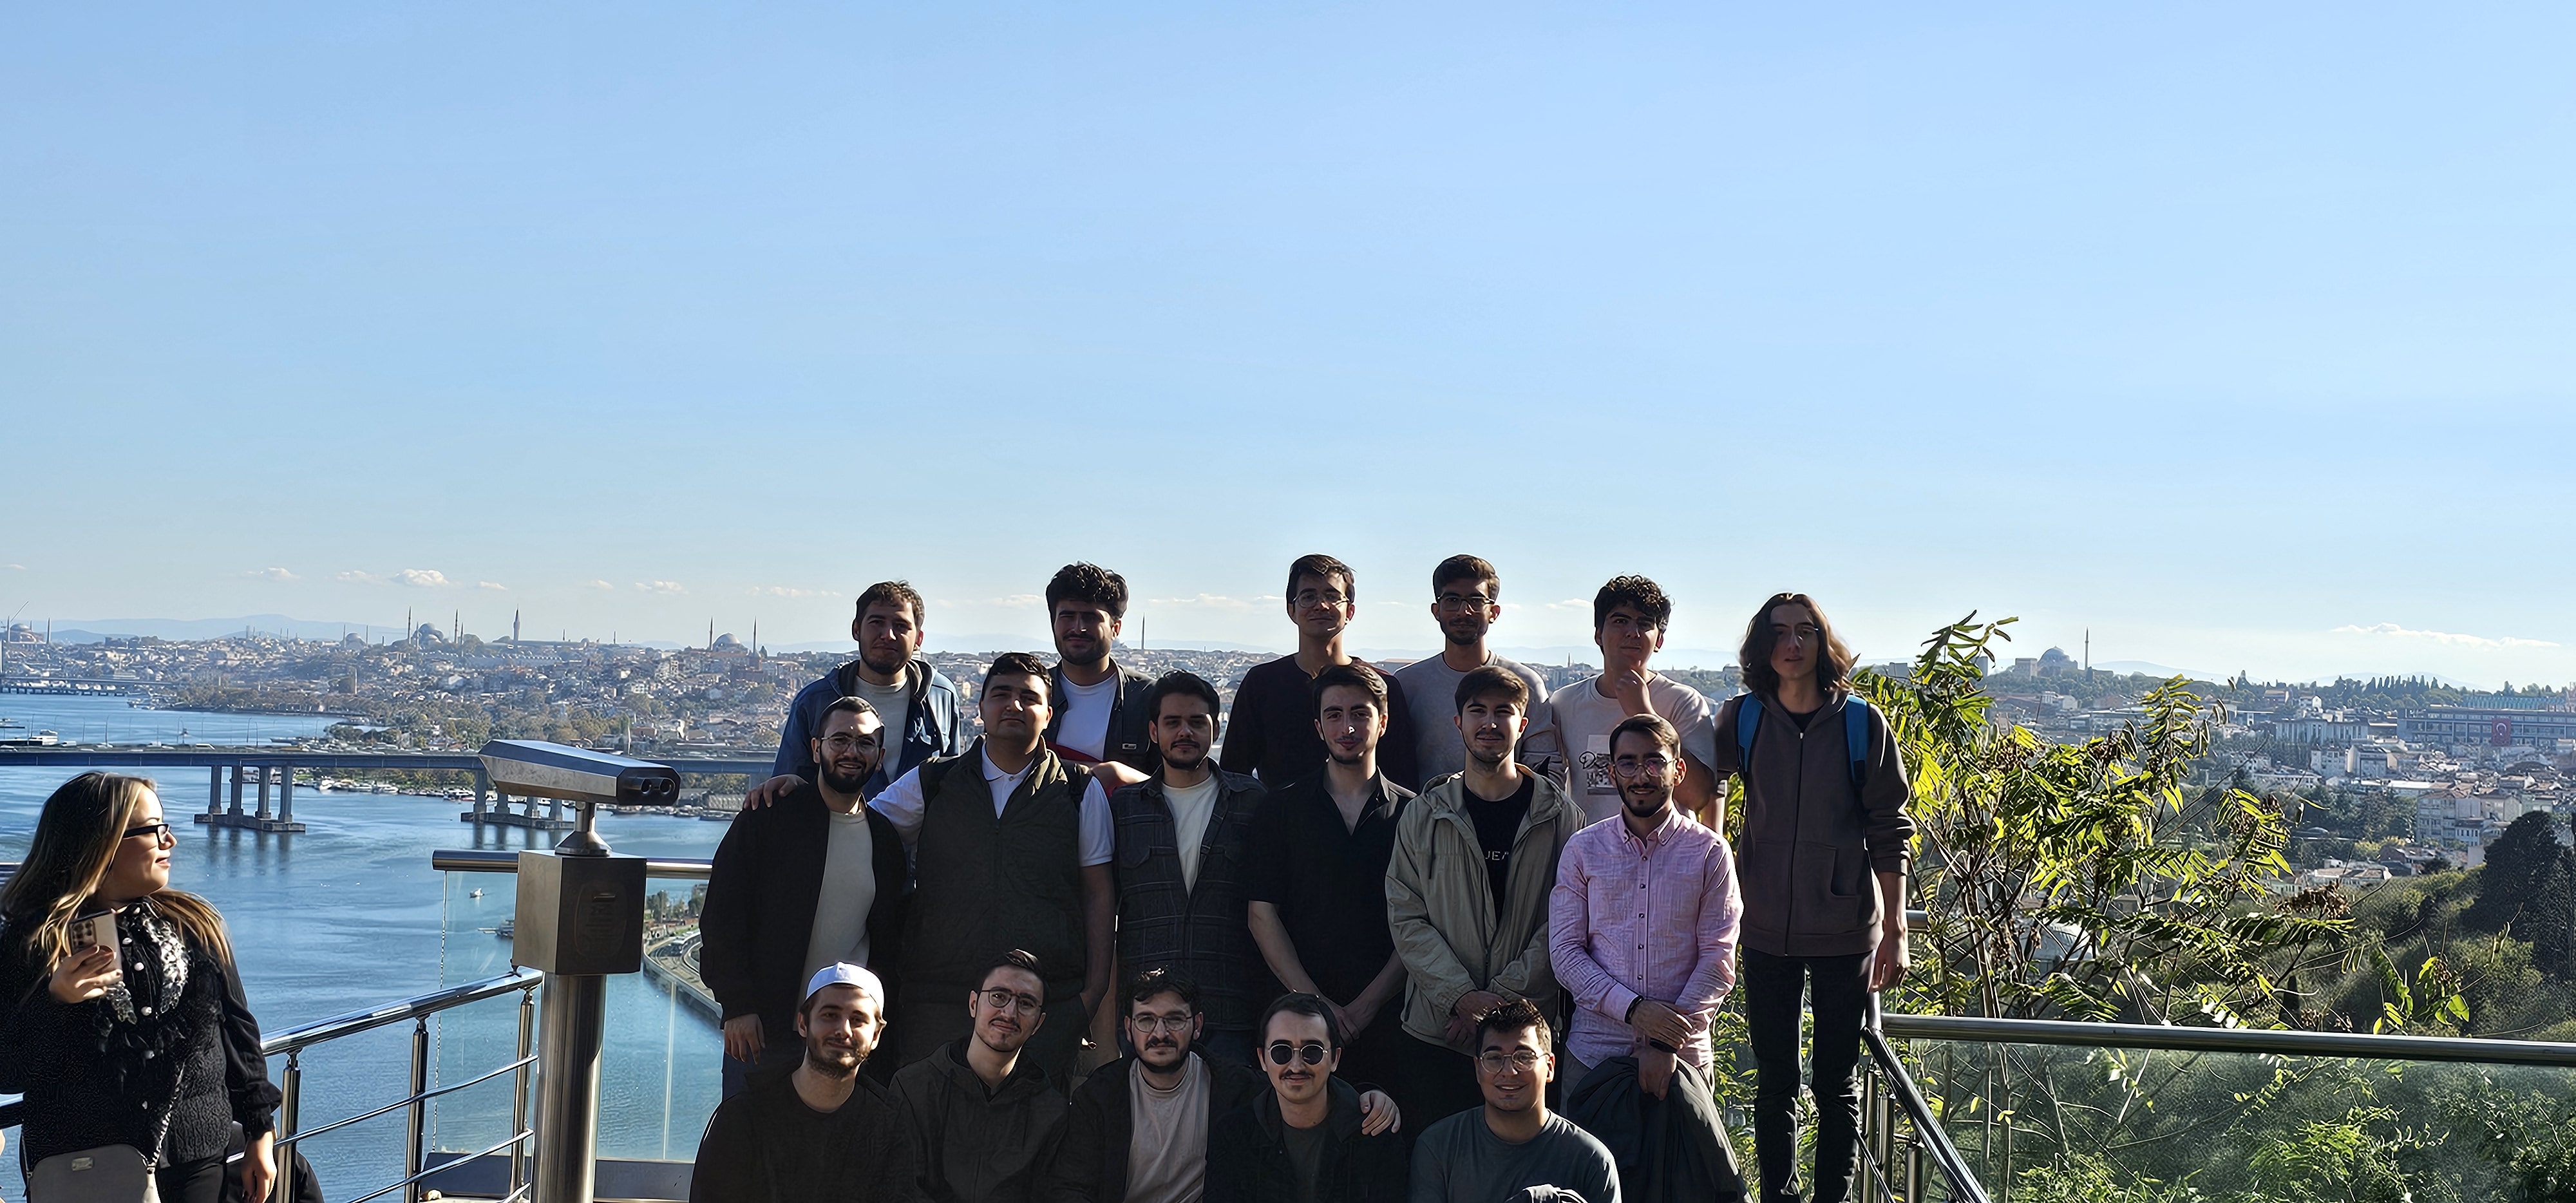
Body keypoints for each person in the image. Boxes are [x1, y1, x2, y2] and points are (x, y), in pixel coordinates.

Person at [1705, 593, 1914, 1203]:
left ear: (1823, 642)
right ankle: (1779, 1195)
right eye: (1779, 633)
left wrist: (1897, 930)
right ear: (1762, 646)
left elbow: (1890, 828)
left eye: (1805, 632)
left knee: (1835, 1084)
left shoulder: (1861, 723)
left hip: (1846, 928)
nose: (1792, 644)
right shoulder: (1742, 717)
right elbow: (1701, 783)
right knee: (1775, 1081)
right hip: (1764, 925)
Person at [0, 773, 281, 1203]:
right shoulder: (32, 943)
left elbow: (238, 1036)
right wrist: (55, 1001)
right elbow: (8, 1072)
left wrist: (261, 1133)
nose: (170, 841)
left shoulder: (195, 925)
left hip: (197, 1159)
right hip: (84, 1167)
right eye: (154, 830)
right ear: (102, 844)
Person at [875, 652, 1117, 1077]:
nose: (1014, 705)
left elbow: (1099, 893)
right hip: (938, 999)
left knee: (1033, 1116)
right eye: (1002, 694)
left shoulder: (1078, 790)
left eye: (1029, 697)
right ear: (981, 708)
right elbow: (856, 825)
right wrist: (800, 791)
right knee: (928, 1112)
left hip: (1043, 1004)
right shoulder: (934, 782)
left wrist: (1091, 994)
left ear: (1048, 714)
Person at [1551, 714, 1747, 1203]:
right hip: (1594, 1055)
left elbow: (1718, 959)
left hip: (1681, 1063)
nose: (1641, 775)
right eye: (1628, 763)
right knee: (1584, 1192)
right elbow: (1566, 953)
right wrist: (1636, 1011)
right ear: (1611, 772)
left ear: (1678, 770)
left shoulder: (1710, 853)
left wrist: (1663, 1043)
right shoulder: (1583, 849)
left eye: (1654, 762)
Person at [1386, 667, 1585, 1127]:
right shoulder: (1424, 814)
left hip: (1525, 1039)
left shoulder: (1561, 818)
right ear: (1459, 722)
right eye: (1478, 711)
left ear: (1523, 724)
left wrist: (1492, 1005)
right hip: (1438, 1031)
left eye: (1503, 712)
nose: (1490, 723)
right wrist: (1458, 996)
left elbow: (1566, 922)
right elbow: (1406, 916)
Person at [702, 697, 913, 1095]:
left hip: (845, 1037)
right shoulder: (769, 816)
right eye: (840, 740)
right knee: (748, 1133)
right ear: (816, 749)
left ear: (880, 757)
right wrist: (738, 1006)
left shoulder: (884, 839)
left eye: (865, 743)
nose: (852, 751)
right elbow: (723, 915)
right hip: (764, 1031)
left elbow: (888, 940)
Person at [1050, 970, 1398, 1203]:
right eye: (1146, 1020)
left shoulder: (1235, 1087)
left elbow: (1302, 1082)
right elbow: (1071, 1188)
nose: (1160, 1033)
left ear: (1198, 1025)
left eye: (1175, 1019)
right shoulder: (1099, 1096)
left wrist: (1370, 1095)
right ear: (1128, 1028)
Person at [1244, 663, 1416, 1094]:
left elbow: (1423, 923)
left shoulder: (1416, 815)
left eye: (1360, 713)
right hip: (1295, 1024)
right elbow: (1261, 915)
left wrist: (1367, 1006)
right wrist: (1315, 1004)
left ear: (1383, 722)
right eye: (1334, 715)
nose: (1347, 727)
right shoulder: (1280, 809)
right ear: (1318, 727)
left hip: (1391, 1019)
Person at [1108, 674, 1269, 1064]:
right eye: (1173, 722)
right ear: (1153, 731)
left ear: (1215, 729)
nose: (1185, 732)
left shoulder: (1252, 802)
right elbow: (1104, 911)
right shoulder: (1124, 808)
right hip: (1147, 1012)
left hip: (1230, 1008)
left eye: (1197, 722)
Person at [690, 963, 919, 1203]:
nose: (843, 1030)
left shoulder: (890, 1125)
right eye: (830, 1015)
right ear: (803, 1024)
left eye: (857, 1019)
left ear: (876, 1036)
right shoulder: (743, 1118)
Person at [1220, 554, 1421, 791]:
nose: (1321, 605)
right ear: (1292, 610)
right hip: (1282, 815)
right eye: (1309, 597)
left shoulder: (1381, 685)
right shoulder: (1262, 684)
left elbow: (1402, 775)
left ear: (1350, 611)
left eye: (1332, 596)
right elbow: (1234, 775)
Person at [894, 951, 1074, 1203]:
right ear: (973, 1004)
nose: (1009, 1013)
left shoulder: (1051, 1111)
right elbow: (902, 1188)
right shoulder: (914, 1087)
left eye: (1026, 1003)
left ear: (1039, 1023)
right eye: (999, 996)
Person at [1543, 577, 1718, 828]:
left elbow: (1698, 797)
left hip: (1666, 849)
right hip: (1589, 849)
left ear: (1659, 641)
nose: (1632, 633)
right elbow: (1550, 788)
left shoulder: (1683, 702)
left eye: (1644, 624)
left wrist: (1645, 714)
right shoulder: (1566, 703)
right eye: (1620, 621)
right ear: (1599, 634)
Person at [766, 580, 967, 797]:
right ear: (856, 630)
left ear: (918, 638)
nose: (888, 635)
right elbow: (787, 786)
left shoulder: (940, 696)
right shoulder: (815, 701)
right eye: (876, 622)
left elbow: (951, 784)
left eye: (901, 626)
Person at [1407, 999, 1620, 1203]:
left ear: (1549, 1067)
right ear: (1478, 1069)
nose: (1509, 1071)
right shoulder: (1438, 1147)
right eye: (1494, 1058)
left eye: (1524, 1057)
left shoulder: (1592, 1160)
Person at [1205, 994, 1411, 1203]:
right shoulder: (1233, 1135)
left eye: (1312, 1051)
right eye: (1281, 1052)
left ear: (1335, 1058)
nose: (1296, 1066)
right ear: (1263, 1059)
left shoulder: (1375, 1132)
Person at [1388, 555, 1560, 785]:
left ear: (1494, 612)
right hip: (1423, 808)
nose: (1464, 611)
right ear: (1436, 610)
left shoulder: (1525, 682)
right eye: (1452, 600)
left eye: (1476, 601)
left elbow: (1546, 770)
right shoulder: (1407, 684)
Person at [1043, 563, 1158, 784]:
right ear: (1054, 624)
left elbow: (1177, 786)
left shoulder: (1148, 698)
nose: (1078, 628)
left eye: (1091, 618)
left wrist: (1119, 776)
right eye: (1068, 617)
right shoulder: (1031, 695)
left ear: (1116, 629)